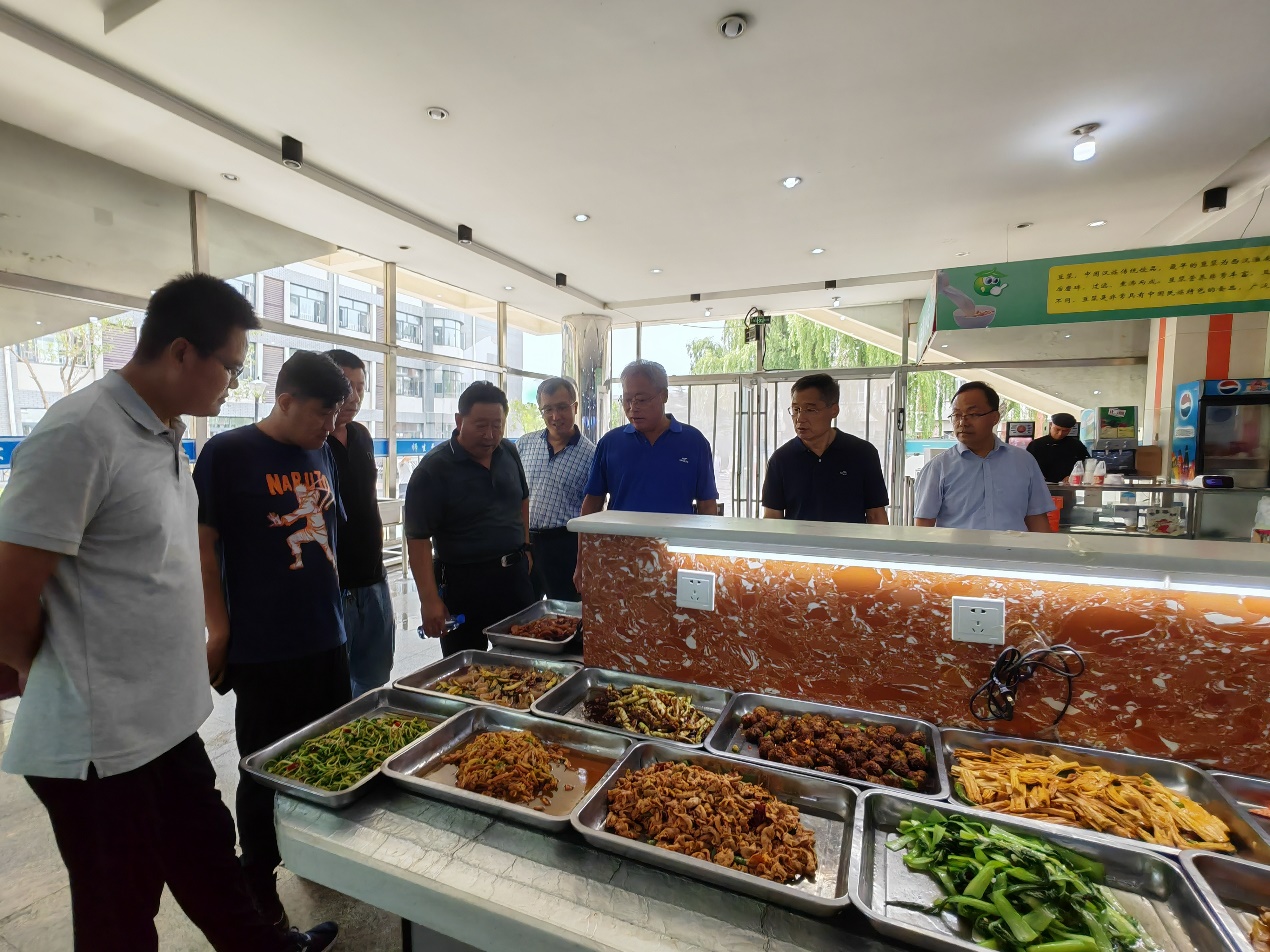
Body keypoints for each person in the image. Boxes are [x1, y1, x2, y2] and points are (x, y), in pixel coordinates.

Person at [0, 273, 337, 951]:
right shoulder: (81, 431)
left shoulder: (161, 436)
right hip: (101, 746)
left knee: (211, 864)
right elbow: (9, 589)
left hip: (165, 721)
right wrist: (54, 669)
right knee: (121, 914)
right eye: (231, 367)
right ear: (182, 351)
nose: (233, 384)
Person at [195, 351, 353, 929]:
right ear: (284, 401)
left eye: (335, 413)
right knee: (264, 769)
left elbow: (328, 533)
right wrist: (218, 628)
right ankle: (259, 884)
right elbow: (203, 546)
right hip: (264, 647)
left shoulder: (321, 450)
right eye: (321, 413)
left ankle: (318, 856)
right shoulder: (228, 452)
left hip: (326, 637)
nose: (330, 424)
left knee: (330, 756)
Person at [405, 381, 535, 655]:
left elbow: (522, 499)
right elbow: (418, 539)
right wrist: (429, 600)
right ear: (459, 420)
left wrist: (526, 546)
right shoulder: (433, 470)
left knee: (523, 660)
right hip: (463, 584)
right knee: (467, 667)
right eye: (480, 425)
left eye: (497, 425)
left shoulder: (509, 452)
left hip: (514, 580)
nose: (490, 434)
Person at [325, 349, 395, 696]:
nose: (354, 396)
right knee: (334, 685)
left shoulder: (362, 435)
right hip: (335, 586)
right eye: (346, 386)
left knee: (374, 676)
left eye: (360, 387)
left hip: (374, 577)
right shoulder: (313, 442)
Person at [580, 359, 718, 517]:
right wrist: (583, 533)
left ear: (664, 396)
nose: (633, 408)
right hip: (622, 533)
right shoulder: (610, 443)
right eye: (627, 400)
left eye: (641, 400)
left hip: (676, 533)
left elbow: (707, 505)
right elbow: (592, 502)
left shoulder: (694, 442)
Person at [914, 381, 1055, 532]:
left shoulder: (1024, 462)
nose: (962, 422)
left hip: (1012, 547)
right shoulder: (938, 467)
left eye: (973, 414)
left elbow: (1036, 519)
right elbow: (923, 527)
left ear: (995, 417)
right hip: (960, 548)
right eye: (957, 415)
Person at [761, 373, 890, 524]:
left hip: (849, 540)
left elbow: (876, 515)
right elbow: (772, 517)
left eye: (810, 410)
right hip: (799, 540)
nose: (800, 418)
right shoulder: (781, 460)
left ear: (834, 410)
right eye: (796, 409)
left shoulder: (863, 453)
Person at [516, 377, 595, 601]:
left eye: (562, 407)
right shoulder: (524, 444)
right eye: (548, 409)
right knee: (522, 610)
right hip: (525, 543)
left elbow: (593, 510)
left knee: (566, 612)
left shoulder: (591, 455)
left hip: (565, 546)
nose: (555, 416)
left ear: (575, 407)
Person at [1027, 411, 1090, 483]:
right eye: (1057, 429)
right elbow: (1026, 465)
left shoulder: (1076, 445)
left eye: (1065, 431)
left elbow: (1087, 463)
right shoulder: (1036, 444)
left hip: (1068, 485)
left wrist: (1074, 475)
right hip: (1040, 484)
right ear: (1051, 425)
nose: (1060, 433)